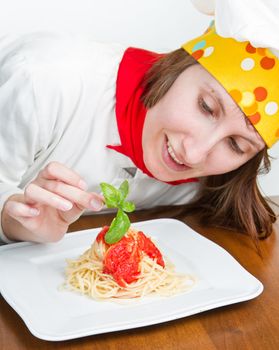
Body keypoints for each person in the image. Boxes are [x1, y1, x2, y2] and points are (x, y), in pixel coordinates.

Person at [0, 1, 278, 245]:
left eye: (236, 144)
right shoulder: (45, 80)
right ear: (179, 65)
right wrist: (9, 220)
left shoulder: (216, 182)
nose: (193, 154)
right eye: (206, 107)